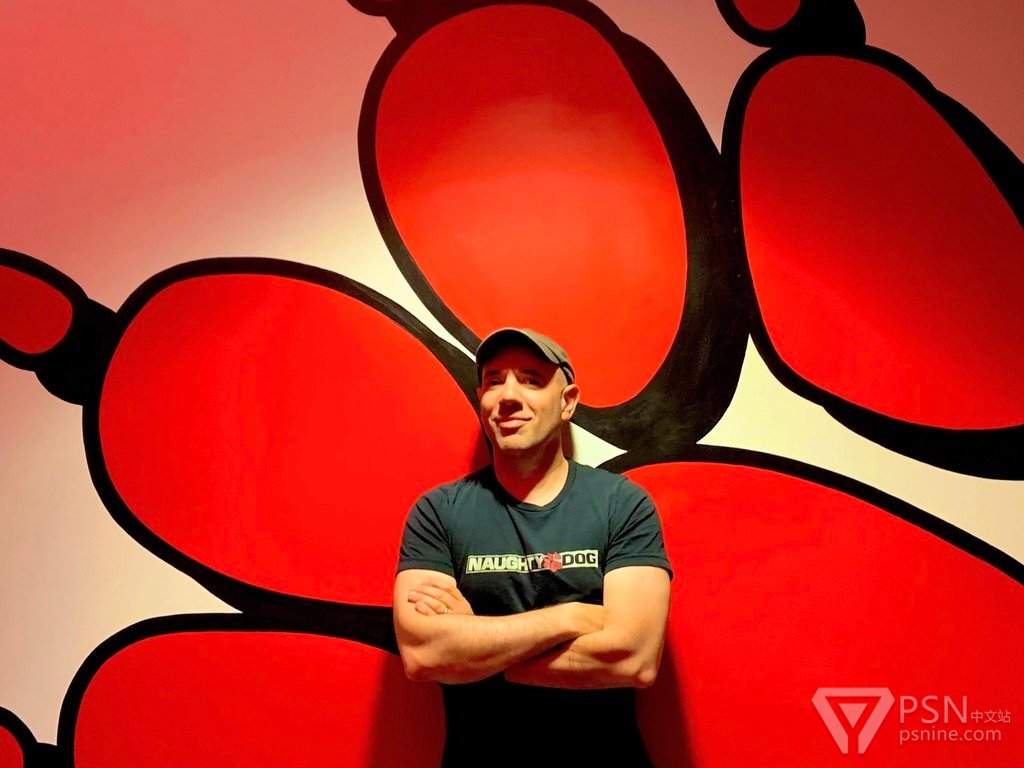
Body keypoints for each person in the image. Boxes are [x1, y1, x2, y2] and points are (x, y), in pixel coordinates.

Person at [394, 328, 672, 765]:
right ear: (481, 398)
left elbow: (634, 661)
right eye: (494, 380)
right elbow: (423, 655)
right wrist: (573, 617)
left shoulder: (622, 504)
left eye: (531, 380)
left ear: (567, 402)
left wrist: (475, 647)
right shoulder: (438, 512)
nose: (508, 396)